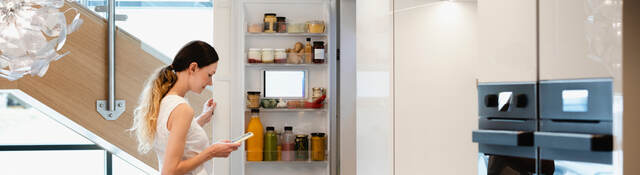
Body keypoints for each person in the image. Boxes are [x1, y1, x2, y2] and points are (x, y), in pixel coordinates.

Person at [130, 40, 240, 175]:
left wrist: (202, 119)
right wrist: (211, 152)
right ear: (193, 68)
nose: (210, 82)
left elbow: (174, 135)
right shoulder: (182, 109)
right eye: (209, 75)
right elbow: (170, 171)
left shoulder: (166, 101)